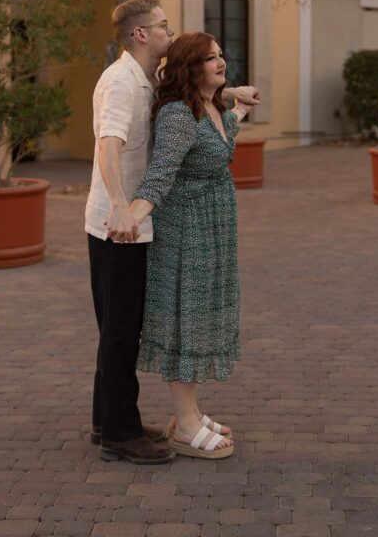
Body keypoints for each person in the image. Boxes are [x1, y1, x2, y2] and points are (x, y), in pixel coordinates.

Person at [85, 0, 259, 465]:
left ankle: (111, 418)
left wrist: (229, 92)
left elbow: (187, 96)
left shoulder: (151, 81)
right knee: (121, 331)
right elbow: (110, 147)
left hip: (146, 219)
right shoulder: (122, 83)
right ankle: (120, 434)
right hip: (121, 225)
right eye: (163, 25)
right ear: (141, 34)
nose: (169, 29)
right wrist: (124, 209)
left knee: (121, 329)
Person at [129, 31, 254, 460]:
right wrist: (132, 214)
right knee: (187, 320)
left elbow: (226, 130)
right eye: (209, 58)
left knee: (201, 319)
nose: (221, 63)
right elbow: (161, 172)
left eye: (221, 55)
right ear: (190, 67)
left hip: (213, 227)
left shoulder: (212, 107)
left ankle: (193, 413)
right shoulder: (178, 115)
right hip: (186, 233)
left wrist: (239, 103)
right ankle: (183, 426)